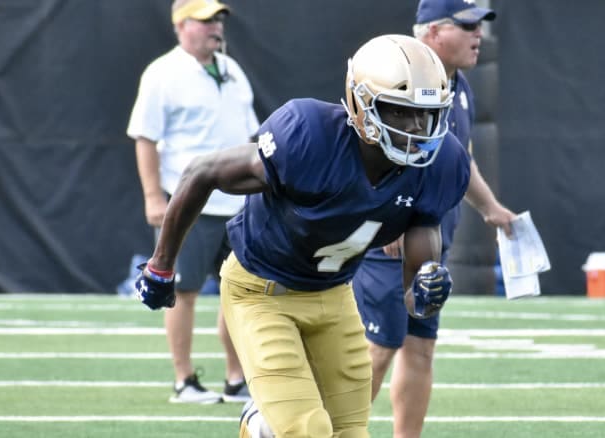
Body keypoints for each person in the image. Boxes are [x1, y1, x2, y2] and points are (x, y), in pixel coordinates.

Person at [134, 34, 470, 437]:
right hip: (261, 292)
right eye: (400, 112)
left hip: (333, 295)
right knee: (308, 430)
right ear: (361, 104)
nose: (416, 128)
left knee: (350, 432)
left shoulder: (440, 164)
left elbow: (414, 298)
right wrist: (161, 267)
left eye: (427, 114)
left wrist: (429, 292)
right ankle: (263, 427)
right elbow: (201, 173)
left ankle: (264, 429)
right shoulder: (311, 138)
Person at [351, 1, 518, 437]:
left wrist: (489, 207)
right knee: (378, 346)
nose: (478, 34)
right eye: (467, 25)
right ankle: (333, 430)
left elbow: (457, 158)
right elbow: (369, 150)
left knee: (420, 345)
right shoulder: (398, 78)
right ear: (431, 32)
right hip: (390, 239)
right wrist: (390, 217)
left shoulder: (458, 85)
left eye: (479, 24)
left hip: (430, 239)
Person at [127, 0, 258, 404]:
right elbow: (145, 137)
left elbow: (249, 136)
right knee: (181, 291)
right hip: (189, 204)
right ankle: (184, 381)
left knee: (240, 291)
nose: (216, 27)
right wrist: (154, 198)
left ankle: (237, 378)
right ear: (181, 25)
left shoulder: (232, 69)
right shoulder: (162, 73)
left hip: (237, 205)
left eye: (218, 19)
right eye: (206, 20)